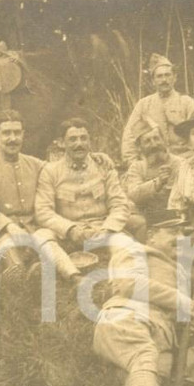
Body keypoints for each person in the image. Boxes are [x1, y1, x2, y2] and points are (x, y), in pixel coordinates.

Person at [92, 224, 194, 386]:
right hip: (128, 316)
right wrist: (181, 302)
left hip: (159, 331)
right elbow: (129, 283)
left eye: (184, 235)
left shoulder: (177, 270)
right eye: (173, 231)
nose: (179, 238)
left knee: (141, 379)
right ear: (151, 235)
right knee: (144, 359)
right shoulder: (135, 250)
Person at [0, 110, 74, 279]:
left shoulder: (34, 164)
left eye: (17, 133)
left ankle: (36, 269)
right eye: (6, 133)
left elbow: (60, 172)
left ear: (23, 135)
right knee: (10, 254)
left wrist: (94, 159)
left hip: (29, 228)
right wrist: (9, 226)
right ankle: (18, 274)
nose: (12, 139)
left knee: (47, 242)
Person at [35, 118, 145, 278]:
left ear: (89, 141)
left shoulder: (104, 166)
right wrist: (70, 229)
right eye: (72, 139)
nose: (79, 143)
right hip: (68, 235)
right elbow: (43, 211)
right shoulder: (51, 172)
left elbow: (120, 204)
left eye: (83, 138)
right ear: (61, 143)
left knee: (126, 245)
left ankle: (121, 281)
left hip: (102, 230)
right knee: (41, 236)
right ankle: (72, 275)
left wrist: (107, 229)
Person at [120, 53, 194, 169]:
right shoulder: (143, 104)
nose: (164, 80)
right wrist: (133, 165)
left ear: (175, 77)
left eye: (167, 75)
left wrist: (179, 123)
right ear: (153, 81)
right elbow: (129, 138)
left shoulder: (187, 102)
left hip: (185, 164)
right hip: (153, 166)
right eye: (159, 76)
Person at [122, 117, 185, 222]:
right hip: (147, 219)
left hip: (176, 218)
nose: (154, 144)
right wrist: (158, 182)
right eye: (147, 141)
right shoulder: (137, 167)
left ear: (163, 140)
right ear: (139, 147)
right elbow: (133, 195)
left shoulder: (179, 163)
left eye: (156, 138)